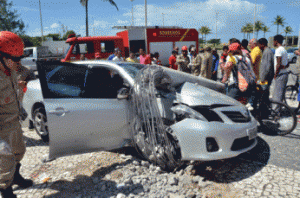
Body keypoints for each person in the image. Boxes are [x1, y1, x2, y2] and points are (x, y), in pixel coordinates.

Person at [0, 31, 33, 198]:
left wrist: (19, 87)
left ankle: (16, 176)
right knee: (5, 161)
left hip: (14, 122)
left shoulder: (10, 70)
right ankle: (6, 190)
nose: (18, 62)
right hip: (1, 128)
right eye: (14, 59)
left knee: (19, 151)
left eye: (19, 58)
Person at [273, 34, 289, 103]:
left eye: (273, 41)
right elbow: (287, 64)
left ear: (276, 41)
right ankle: (278, 112)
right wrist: (283, 66)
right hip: (284, 73)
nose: (273, 42)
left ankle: (276, 112)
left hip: (280, 74)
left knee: (277, 95)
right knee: (280, 94)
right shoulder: (284, 50)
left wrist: (275, 75)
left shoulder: (278, 50)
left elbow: (278, 64)